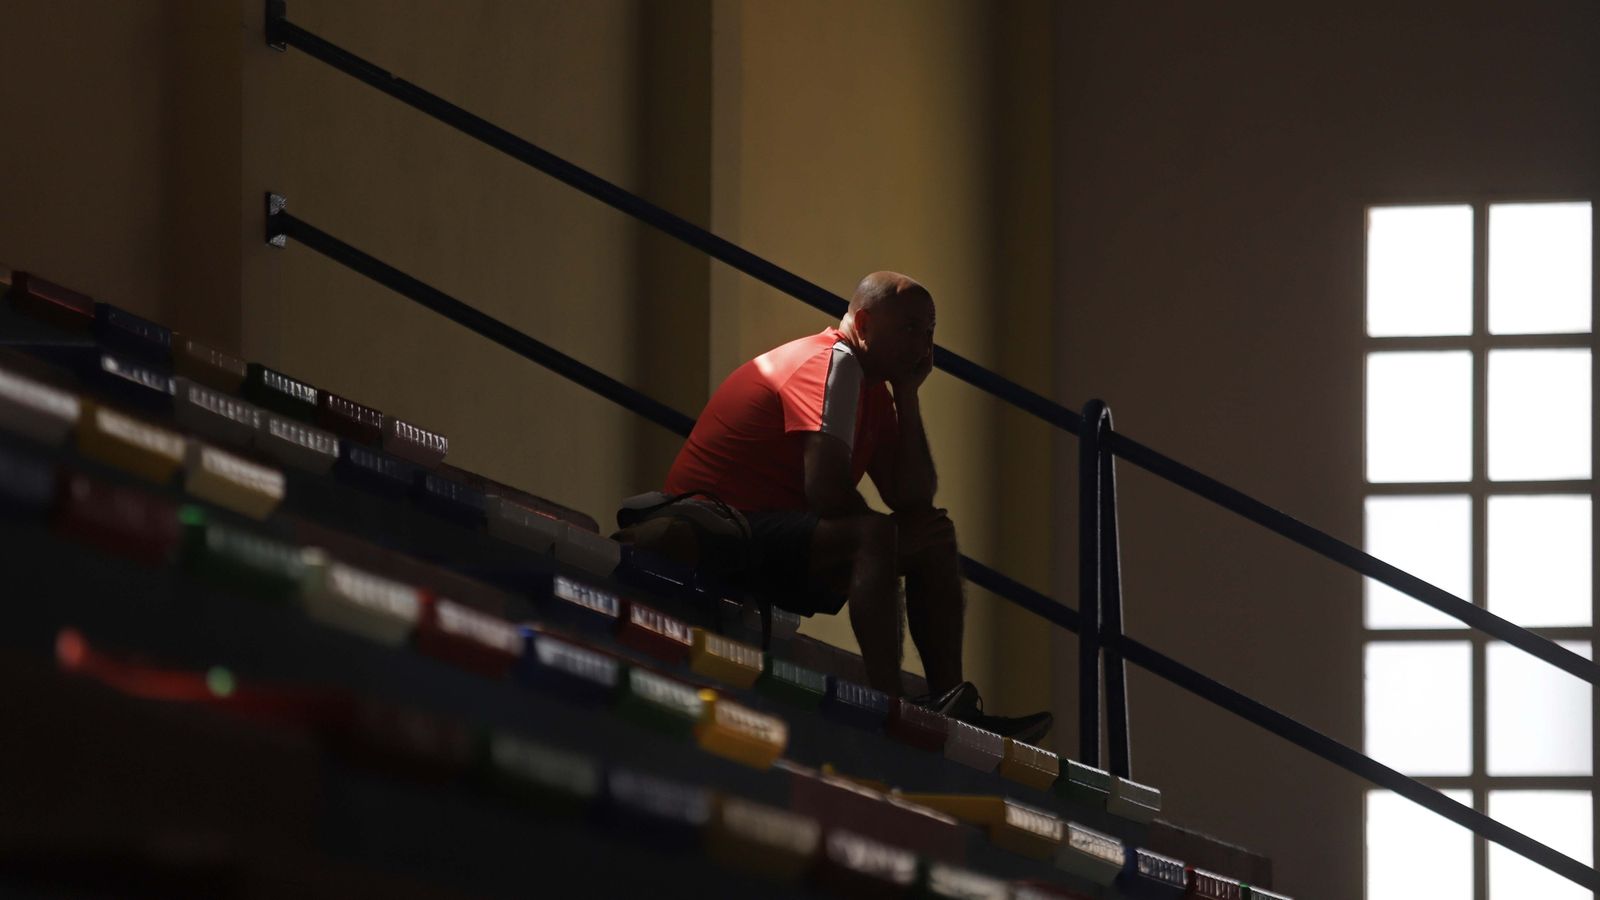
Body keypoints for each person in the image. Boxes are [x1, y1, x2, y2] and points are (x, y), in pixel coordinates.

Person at [663, 271, 1052, 742]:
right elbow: (826, 491)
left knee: (933, 534)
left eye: (929, 332)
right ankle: (890, 708)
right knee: (875, 535)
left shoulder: (872, 387)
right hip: (711, 525)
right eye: (909, 328)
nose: (923, 345)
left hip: (764, 532)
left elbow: (911, 497)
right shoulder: (835, 362)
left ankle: (950, 701)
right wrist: (888, 540)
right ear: (863, 324)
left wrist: (907, 396)